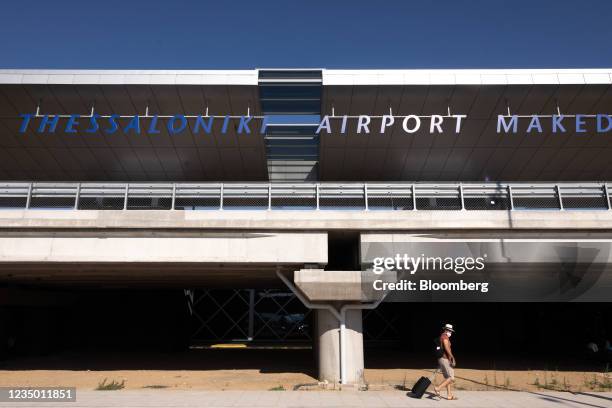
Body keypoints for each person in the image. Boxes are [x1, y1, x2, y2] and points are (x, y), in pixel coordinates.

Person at [434, 323, 457, 400]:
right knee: (451, 378)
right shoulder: (445, 337)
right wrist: (452, 357)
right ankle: (438, 388)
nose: (450, 332)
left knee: (447, 378)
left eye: (451, 331)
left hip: (442, 359)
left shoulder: (443, 336)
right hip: (444, 359)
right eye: (449, 330)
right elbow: (447, 348)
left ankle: (449, 395)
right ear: (446, 330)